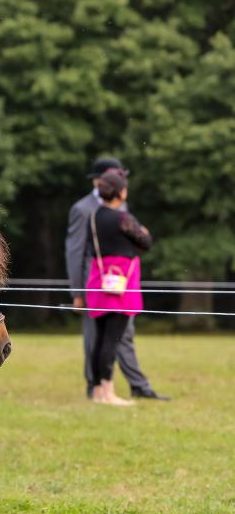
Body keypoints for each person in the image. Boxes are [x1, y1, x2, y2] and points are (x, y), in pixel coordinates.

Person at [65, 158, 170, 401]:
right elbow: (75, 252)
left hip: (111, 282)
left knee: (121, 336)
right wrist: (77, 293)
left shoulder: (115, 209)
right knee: (99, 338)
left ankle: (136, 384)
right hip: (100, 284)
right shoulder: (83, 209)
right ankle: (97, 386)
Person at [84, 170, 152, 406]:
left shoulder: (93, 217)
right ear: (120, 191)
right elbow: (145, 242)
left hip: (98, 279)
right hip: (122, 280)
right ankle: (108, 392)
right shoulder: (123, 218)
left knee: (100, 338)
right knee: (111, 339)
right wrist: (144, 232)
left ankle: (97, 391)